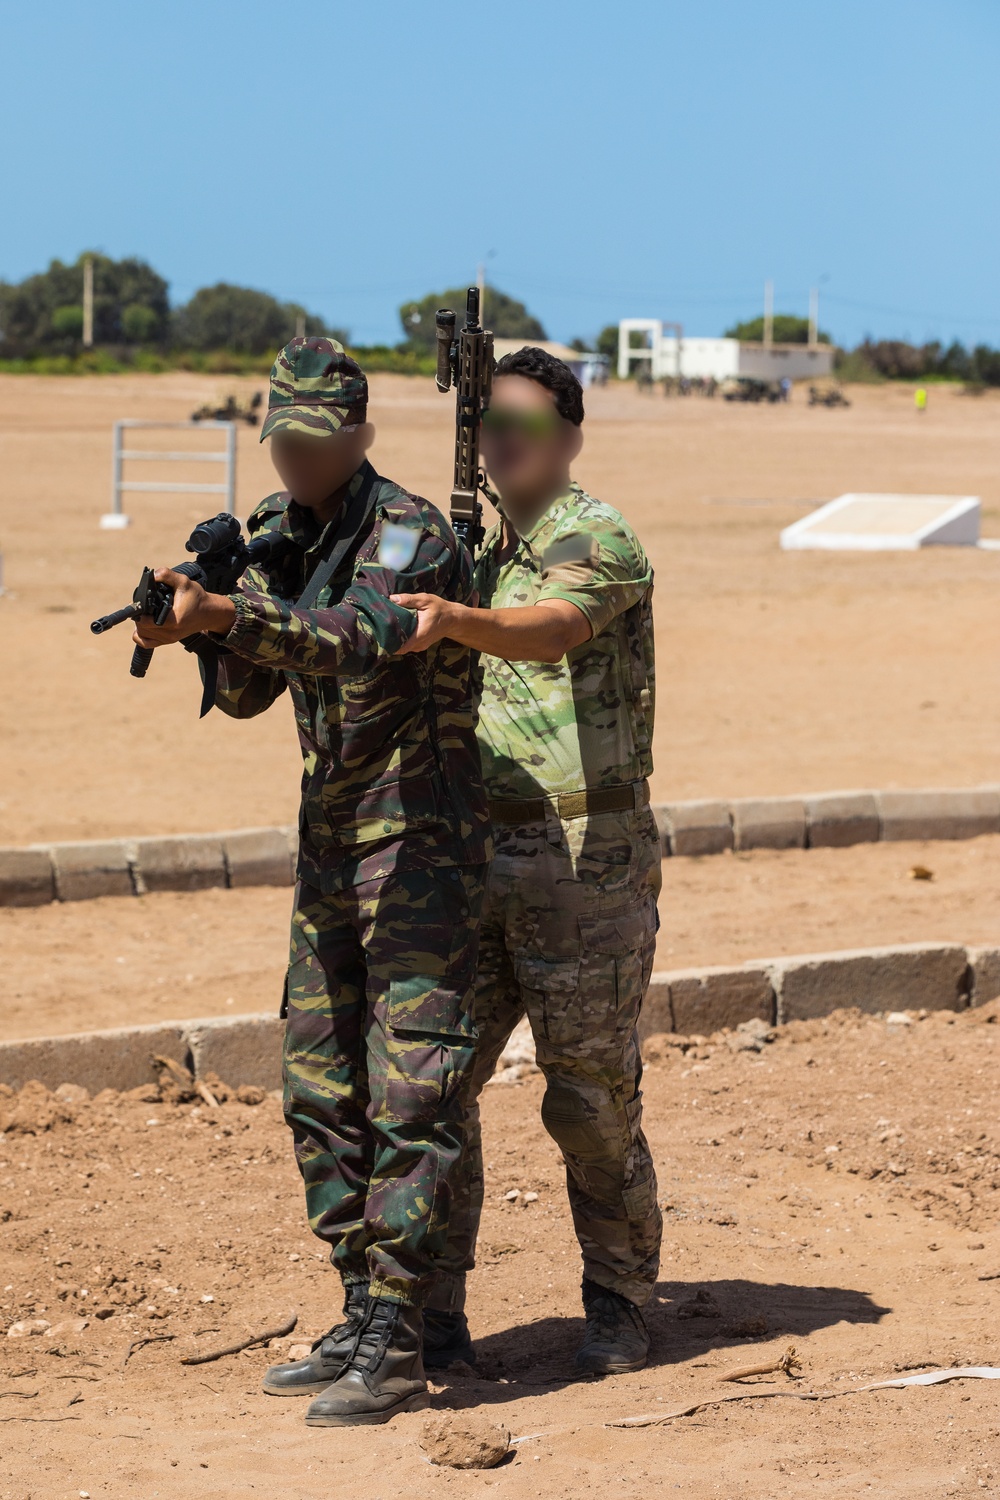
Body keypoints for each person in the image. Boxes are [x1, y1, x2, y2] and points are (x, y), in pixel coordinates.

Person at [132, 337, 491, 1426]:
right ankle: (361, 1305)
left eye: (314, 441)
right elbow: (250, 697)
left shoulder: (410, 532)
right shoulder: (284, 534)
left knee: (410, 1095)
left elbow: (353, 639)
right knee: (318, 1086)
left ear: (361, 437)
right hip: (331, 852)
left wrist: (233, 615)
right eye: (280, 440)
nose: (292, 460)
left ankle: (400, 1329)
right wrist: (197, 618)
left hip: (418, 854)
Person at [393, 346, 662, 1375]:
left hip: (584, 862)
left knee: (587, 1100)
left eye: (531, 426)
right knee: (433, 1083)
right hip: (473, 856)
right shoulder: (471, 548)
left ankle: (620, 1301)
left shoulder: (594, 536)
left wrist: (458, 620)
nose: (508, 442)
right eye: (491, 425)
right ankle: (431, 1313)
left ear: (571, 436)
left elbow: (553, 630)